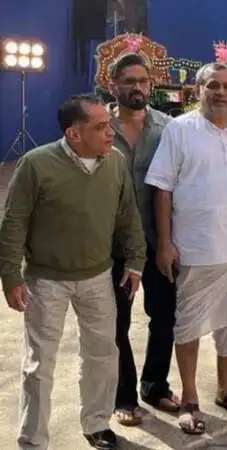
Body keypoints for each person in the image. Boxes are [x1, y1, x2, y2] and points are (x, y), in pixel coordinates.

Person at [0, 94, 146, 450]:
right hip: (46, 281)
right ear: (74, 134)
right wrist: (11, 276)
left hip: (97, 278)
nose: (110, 132)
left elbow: (127, 214)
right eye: (100, 127)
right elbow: (14, 222)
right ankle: (33, 439)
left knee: (102, 354)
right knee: (40, 365)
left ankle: (96, 424)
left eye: (109, 125)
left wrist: (135, 260)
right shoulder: (36, 164)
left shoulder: (115, 162)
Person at [145, 62, 227, 434]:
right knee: (187, 325)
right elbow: (162, 188)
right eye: (213, 86)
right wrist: (165, 242)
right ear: (197, 90)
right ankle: (189, 397)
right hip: (195, 249)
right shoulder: (179, 130)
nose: (221, 92)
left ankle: (224, 390)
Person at [106, 53, 180, 426]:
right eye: (129, 81)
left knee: (164, 317)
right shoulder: (97, 126)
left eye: (143, 81)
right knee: (115, 323)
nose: (137, 87)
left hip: (159, 239)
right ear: (112, 86)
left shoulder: (169, 128)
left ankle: (155, 385)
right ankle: (123, 395)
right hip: (112, 246)